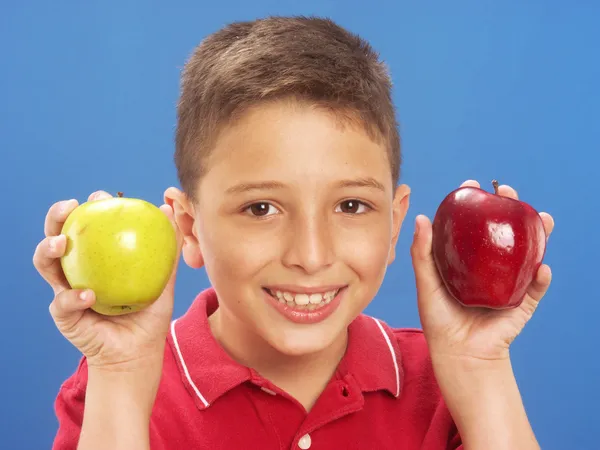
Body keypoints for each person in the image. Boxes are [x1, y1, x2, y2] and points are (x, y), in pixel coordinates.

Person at [33, 15, 554, 450]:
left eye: (351, 205)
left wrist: (480, 368)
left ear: (395, 224)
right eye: (261, 208)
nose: (311, 254)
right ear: (186, 228)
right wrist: (122, 376)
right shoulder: (112, 384)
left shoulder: (443, 383)